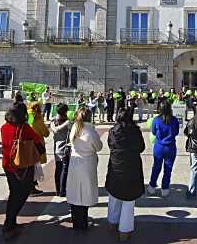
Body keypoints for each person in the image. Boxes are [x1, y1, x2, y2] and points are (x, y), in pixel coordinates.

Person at [0, 105, 43, 238]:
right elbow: (37, 139)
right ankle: (9, 224)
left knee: (14, 193)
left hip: (8, 164)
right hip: (22, 166)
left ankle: (11, 222)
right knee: (22, 193)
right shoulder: (24, 127)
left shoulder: (4, 127)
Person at [105, 108, 145, 241]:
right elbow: (141, 147)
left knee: (114, 196)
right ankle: (124, 231)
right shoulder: (135, 131)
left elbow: (110, 144)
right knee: (129, 201)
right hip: (131, 167)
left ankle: (112, 222)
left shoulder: (113, 131)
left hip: (116, 165)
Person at [67, 107, 103, 230]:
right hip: (87, 164)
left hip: (75, 163)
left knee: (75, 191)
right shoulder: (91, 131)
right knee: (85, 193)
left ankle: (76, 221)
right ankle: (83, 222)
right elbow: (99, 147)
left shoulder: (75, 128)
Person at [148, 101, 180, 197]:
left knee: (156, 167)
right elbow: (177, 132)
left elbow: (153, 132)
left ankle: (152, 187)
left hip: (159, 146)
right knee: (168, 169)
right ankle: (165, 188)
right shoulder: (174, 120)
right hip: (170, 146)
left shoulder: (156, 120)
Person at [28, 102, 49, 196]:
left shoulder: (27, 117)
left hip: (27, 145)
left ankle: (30, 186)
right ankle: (32, 188)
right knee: (35, 167)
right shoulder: (38, 119)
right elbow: (46, 133)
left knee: (29, 166)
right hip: (37, 145)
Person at [51, 103, 72, 196]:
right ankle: (62, 190)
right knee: (64, 170)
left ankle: (58, 190)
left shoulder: (53, 121)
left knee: (58, 169)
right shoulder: (67, 123)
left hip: (56, 149)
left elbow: (54, 129)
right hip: (65, 149)